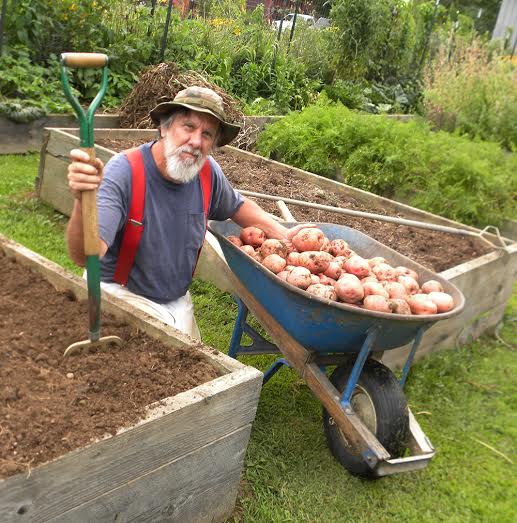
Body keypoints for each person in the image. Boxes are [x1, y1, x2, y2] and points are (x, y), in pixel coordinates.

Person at [66, 86, 305, 339]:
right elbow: (86, 255)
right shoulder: (125, 172)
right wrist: (83, 201)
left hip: (176, 299)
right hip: (121, 294)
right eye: (188, 127)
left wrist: (284, 235)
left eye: (207, 134)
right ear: (164, 128)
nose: (195, 141)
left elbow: (237, 206)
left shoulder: (206, 173)